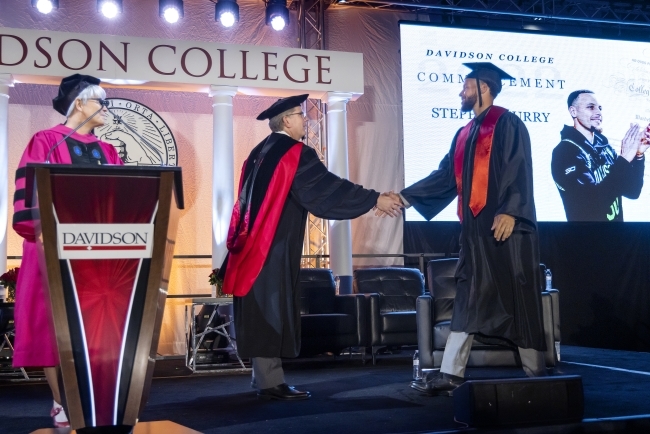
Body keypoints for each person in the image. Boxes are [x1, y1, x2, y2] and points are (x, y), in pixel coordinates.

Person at [220, 94, 402, 401]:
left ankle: (263, 378)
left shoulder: (257, 153)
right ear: (287, 121)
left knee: (262, 305)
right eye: (301, 115)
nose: (307, 120)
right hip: (272, 246)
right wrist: (374, 199)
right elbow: (326, 189)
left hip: (250, 244)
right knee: (271, 306)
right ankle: (270, 384)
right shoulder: (293, 152)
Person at [386, 62, 547, 395]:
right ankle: (451, 373)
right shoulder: (463, 134)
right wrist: (405, 197)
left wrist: (512, 212)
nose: (461, 92)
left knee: (518, 298)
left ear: (483, 88)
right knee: (468, 298)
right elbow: (445, 178)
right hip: (475, 235)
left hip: (506, 233)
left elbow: (520, 169)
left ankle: (537, 372)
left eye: (466, 86)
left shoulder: (507, 124)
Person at [12, 74, 123, 427]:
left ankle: (96, 400)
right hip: (54, 248)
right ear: (80, 103)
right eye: (100, 101)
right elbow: (28, 191)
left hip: (99, 254)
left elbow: (123, 199)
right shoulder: (44, 141)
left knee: (96, 328)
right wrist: (40, 230)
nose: (106, 108)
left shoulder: (109, 151)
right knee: (55, 324)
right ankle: (61, 402)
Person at [551, 90, 647, 221]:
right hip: (586, 238)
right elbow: (593, 203)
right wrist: (624, 159)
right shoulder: (565, 152)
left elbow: (632, 191)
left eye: (599, 108)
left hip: (618, 235)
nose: (598, 113)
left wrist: (638, 155)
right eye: (591, 107)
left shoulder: (604, 146)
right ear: (573, 112)